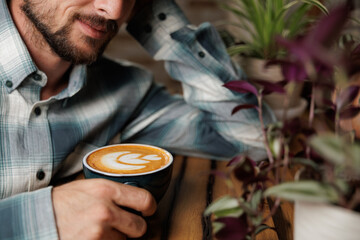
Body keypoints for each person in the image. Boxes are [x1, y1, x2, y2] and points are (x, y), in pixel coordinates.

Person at [0, 0, 275, 239]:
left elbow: (256, 139)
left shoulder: (125, 92)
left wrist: (149, 10)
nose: (114, 10)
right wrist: (39, 220)